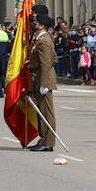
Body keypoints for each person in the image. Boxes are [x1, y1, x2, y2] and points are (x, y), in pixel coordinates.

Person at [28, 13, 59, 151]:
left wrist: (44, 83)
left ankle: (48, 142)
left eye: (35, 21)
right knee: (41, 111)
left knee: (46, 112)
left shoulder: (44, 41)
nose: (33, 23)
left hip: (43, 80)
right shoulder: (42, 39)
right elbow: (54, 59)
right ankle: (43, 139)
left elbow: (46, 63)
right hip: (40, 77)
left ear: (41, 25)